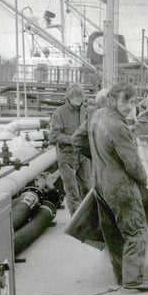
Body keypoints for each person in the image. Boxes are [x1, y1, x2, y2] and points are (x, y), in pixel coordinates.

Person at [74, 81, 148, 291]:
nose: (129, 106)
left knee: (114, 233)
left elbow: (77, 140)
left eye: (133, 102)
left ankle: (120, 276)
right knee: (137, 231)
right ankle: (133, 280)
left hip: (99, 185)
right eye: (125, 101)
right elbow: (133, 164)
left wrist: (101, 158)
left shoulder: (96, 116)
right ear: (113, 100)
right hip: (120, 188)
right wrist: (144, 182)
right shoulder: (119, 126)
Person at [50, 83, 91, 215]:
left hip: (82, 156)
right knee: (72, 191)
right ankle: (76, 221)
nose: (78, 101)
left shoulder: (84, 111)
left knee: (88, 188)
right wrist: (72, 140)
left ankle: (90, 218)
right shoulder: (59, 113)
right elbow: (54, 136)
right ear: (69, 97)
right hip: (67, 158)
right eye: (76, 98)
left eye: (81, 98)